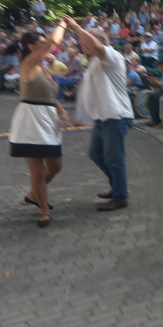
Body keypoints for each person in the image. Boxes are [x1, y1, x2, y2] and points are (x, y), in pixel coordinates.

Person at [64, 16, 135, 211]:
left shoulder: (112, 55)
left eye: (86, 40)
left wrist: (76, 27)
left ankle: (120, 196)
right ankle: (118, 187)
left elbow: (95, 46)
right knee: (96, 154)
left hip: (116, 116)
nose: (82, 44)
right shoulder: (96, 61)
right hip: (103, 117)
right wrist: (81, 116)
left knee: (114, 159)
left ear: (102, 40)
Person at [8, 28, 70, 228]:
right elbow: (53, 43)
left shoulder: (43, 67)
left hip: (48, 119)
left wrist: (61, 110)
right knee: (38, 171)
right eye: (41, 42)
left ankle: (34, 194)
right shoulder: (28, 64)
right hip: (30, 121)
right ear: (31, 47)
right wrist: (63, 25)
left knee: (56, 166)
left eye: (45, 42)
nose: (46, 45)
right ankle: (44, 211)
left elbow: (49, 93)